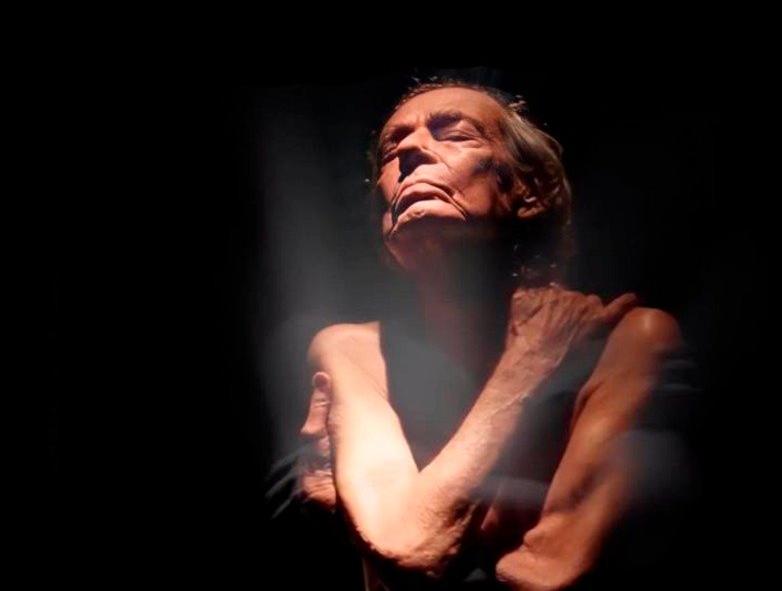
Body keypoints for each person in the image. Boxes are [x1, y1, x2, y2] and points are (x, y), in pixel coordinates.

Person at [271, 79, 696, 590]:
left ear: (529, 191)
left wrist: (379, 519)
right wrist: (527, 365)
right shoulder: (351, 348)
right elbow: (411, 546)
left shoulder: (630, 340)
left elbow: (546, 573)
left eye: (454, 134)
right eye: (391, 149)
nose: (409, 151)